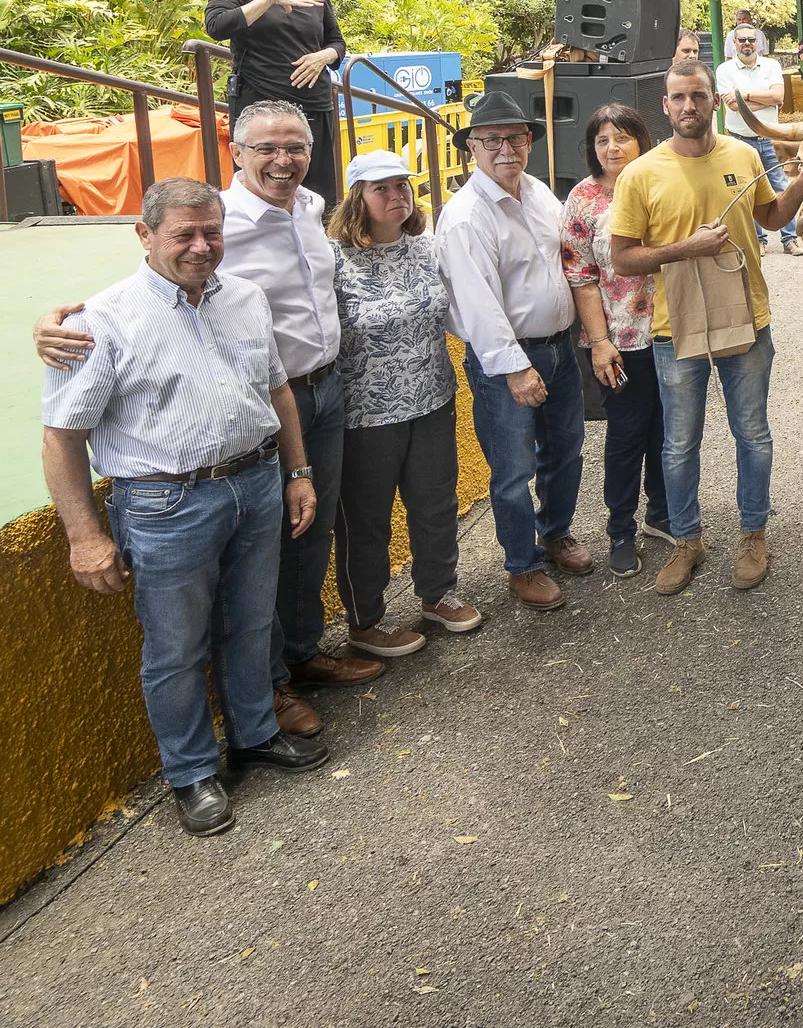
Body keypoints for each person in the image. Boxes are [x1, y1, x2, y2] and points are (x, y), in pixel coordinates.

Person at [33, 99, 376, 736]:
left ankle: (299, 657)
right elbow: (158, 280)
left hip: (310, 395)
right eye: (267, 148)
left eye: (296, 146)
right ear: (236, 154)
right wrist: (57, 327)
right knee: (225, 598)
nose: (283, 160)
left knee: (308, 536)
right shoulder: (213, 217)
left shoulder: (309, 207)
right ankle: (268, 690)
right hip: (248, 419)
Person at [42, 178, 326, 836]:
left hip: (255, 484)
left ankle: (254, 736)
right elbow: (62, 441)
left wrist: (298, 471)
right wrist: (84, 537)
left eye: (212, 232)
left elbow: (277, 389)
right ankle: (192, 772)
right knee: (175, 648)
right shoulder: (101, 321)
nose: (201, 247)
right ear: (144, 236)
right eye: (183, 235)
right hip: (164, 504)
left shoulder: (246, 297)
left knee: (253, 624)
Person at [607, 59, 803, 594]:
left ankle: (753, 534)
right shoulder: (641, 174)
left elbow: (771, 220)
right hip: (672, 328)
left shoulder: (744, 155)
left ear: (714, 100)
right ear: (665, 105)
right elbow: (623, 259)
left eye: (698, 96)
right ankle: (687, 539)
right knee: (679, 444)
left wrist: (800, 185)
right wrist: (689, 248)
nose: (688, 107)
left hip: (747, 317)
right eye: (678, 98)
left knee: (751, 433)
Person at [438, 90, 590, 610]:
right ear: (472, 148)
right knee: (513, 470)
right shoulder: (465, 217)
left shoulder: (539, 192)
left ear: (529, 142)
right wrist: (516, 370)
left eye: (516, 137)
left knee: (566, 451)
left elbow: (568, 261)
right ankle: (521, 565)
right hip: (509, 361)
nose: (506, 148)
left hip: (560, 348)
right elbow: (478, 306)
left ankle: (555, 533)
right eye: (492, 139)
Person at [326, 151, 482, 657]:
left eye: (402, 186)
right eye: (381, 189)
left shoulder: (426, 246)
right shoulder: (333, 259)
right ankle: (366, 621)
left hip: (432, 400)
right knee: (366, 519)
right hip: (366, 414)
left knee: (436, 504)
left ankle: (437, 593)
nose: (396, 197)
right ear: (357, 199)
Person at [561, 104, 671, 576]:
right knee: (627, 433)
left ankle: (663, 513)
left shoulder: (662, 181)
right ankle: (621, 530)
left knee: (669, 429)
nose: (612, 148)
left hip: (669, 332)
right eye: (602, 141)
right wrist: (599, 341)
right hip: (617, 340)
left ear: (642, 141)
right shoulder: (583, 200)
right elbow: (580, 276)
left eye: (622, 138)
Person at [204, 0, 347, 205]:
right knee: (263, 190)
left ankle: (320, 250)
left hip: (314, 104)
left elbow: (337, 43)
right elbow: (216, 25)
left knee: (320, 197)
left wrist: (323, 57)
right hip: (261, 107)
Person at [715, 26, 803, 256]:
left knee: (782, 187)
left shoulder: (771, 65)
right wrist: (765, 100)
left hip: (771, 137)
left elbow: (779, 96)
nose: (747, 44)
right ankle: (758, 240)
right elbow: (733, 107)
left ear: (758, 42)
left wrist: (744, 95)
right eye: (742, 40)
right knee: (747, 189)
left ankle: (790, 239)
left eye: (751, 40)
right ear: (734, 43)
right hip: (740, 139)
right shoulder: (724, 70)